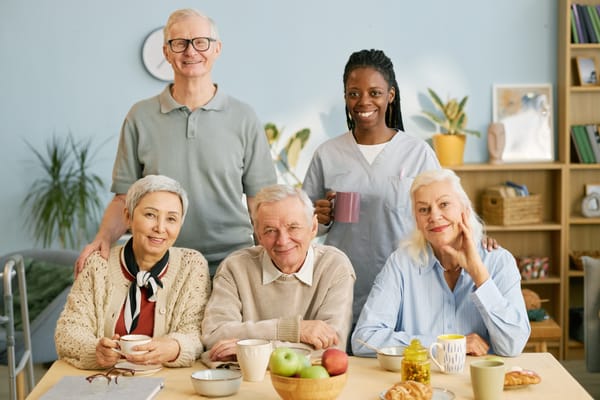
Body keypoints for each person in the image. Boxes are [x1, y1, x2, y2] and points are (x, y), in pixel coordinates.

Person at [75, 8, 276, 276]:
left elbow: (260, 202)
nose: (191, 52)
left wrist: (272, 261)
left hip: (232, 266)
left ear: (217, 49)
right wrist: (103, 238)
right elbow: (123, 197)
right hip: (158, 266)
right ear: (166, 52)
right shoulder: (140, 116)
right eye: (179, 43)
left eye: (201, 42)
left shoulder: (244, 117)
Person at [302, 49, 440, 328]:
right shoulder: (327, 154)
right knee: (345, 365)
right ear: (345, 97)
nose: (363, 101)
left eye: (375, 92)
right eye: (354, 93)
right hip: (342, 286)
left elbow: (445, 213)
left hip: (406, 285)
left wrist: (480, 241)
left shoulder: (417, 153)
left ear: (390, 95)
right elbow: (304, 224)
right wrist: (322, 218)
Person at [351, 169, 530, 357]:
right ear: (417, 221)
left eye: (444, 204)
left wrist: (479, 274)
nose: (434, 216)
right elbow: (364, 340)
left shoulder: (499, 262)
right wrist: (442, 345)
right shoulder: (401, 264)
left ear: (464, 210)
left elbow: (513, 345)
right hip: (417, 381)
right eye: (423, 209)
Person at [55, 175, 211, 369]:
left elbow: (196, 331)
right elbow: (68, 330)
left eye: (171, 219)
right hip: (105, 381)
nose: (160, 228)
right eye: (150, 215)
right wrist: (94, 350)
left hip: (166, 382)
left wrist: (176, 346)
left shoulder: (192, 266)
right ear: (128, 217)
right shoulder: (98, 264)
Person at [202, 184, 356, 361]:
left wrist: (252, 351)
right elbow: (214, 336)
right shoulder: (235, 267)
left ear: (313, 227)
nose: (282, 241)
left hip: (308, 384)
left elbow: (332, 349)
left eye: (293, 227)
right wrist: (292, 330)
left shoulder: (335, 266)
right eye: (270, 231)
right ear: (258, 235)